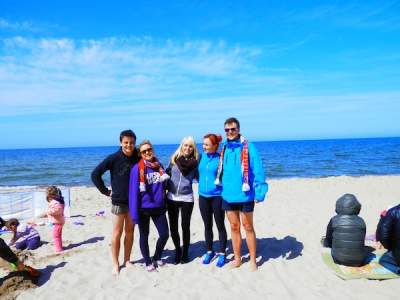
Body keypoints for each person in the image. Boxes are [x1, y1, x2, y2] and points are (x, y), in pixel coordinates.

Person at [215, 117, 268, 271]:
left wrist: (260, 192)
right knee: (234, 227)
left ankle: (252, 260)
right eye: (227, 130)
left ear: (238, 129)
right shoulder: (224, 147)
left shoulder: (249, 147)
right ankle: (237, 258)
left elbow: (258, 170)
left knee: (248, 226)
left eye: (233, 129)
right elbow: (220, 170)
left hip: (245, 195)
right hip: (228, 195)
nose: (230, 132)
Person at [91, 129, 139, 275]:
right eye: (126, 142)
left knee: (130, 232)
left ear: (134, 143)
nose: (129, 145)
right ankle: (115, 263)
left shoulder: (138, 157)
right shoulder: (113, 158)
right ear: (120, 142)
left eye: (131, 143)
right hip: (118, 201)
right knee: (117, 233)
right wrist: (106, 191)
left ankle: (127, 260)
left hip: (134, 201)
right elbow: (95, 174)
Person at [129, 140, 170, 272]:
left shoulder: (159, 166)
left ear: (152, 150)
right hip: (143, 209)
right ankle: (147, 261)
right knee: (144, 236)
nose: (147, 152)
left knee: (164, 235)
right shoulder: (137, 169)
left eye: (149, 149)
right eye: (144, 151)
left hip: (159, 207)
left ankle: (157, 256)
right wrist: (134, 215)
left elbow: (164, 186)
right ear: (140, 154)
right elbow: (133, 193)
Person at [166, 136, 199, 264]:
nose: (187, 148)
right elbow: (166, 174)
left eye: (190, 146)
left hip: (187, 198)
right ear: (181, 146)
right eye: (185, 145)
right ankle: (177, 250)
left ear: (193, 149)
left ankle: (185, 252)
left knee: (185, 226)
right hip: (172, 197)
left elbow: (201, 178)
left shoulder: (195, 162)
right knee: (173, 228)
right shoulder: (173, 160)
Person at [198, 133, 227, 267]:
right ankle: (210, 251)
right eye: (203, 144)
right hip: (203, 196)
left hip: (217, 197)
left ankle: (222, 253)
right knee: (207, 225)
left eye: (207, 144)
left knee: (220, 225)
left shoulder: (221, 158)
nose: (204, 146)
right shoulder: (201, 156)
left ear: (215, 146)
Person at [325, 193, 366, 266]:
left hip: (338, 259)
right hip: (359, 260)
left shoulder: (334, 220)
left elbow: (329, 237)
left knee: (325, 241)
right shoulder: (361, 221)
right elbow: (362, 238)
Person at [46, 186, 65, 253]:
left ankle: (58, 249)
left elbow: (58, 211)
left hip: (58, 221)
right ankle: (59, 247)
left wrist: (49, 211)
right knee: (57, 235)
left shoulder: (56, 202)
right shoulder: (58, 200)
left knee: (56, 236)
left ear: (50, 195)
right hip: (58, 221)